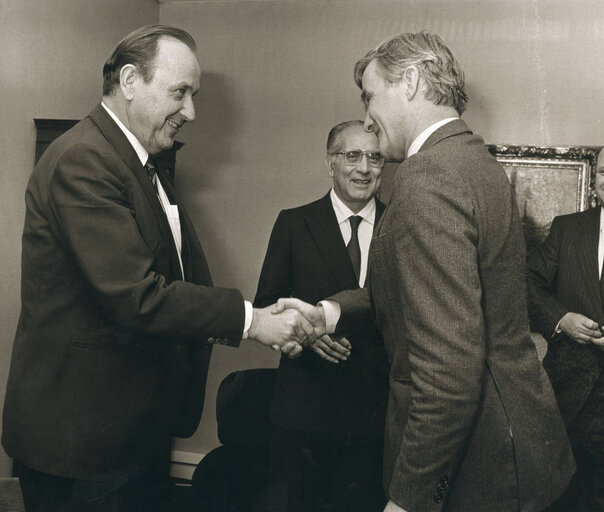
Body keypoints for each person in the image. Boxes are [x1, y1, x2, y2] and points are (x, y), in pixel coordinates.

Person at [2, 25, 312, 512]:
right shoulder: (84, 161)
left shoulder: (137, 162)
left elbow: (181, 279)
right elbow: (137, 295)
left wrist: (265, 315)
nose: (190, 111)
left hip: (127, 430)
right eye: (180, 92)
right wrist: (255, 321)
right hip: (83, 445)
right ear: (129, 80)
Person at [275, 32, 575, 512]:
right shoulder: (475, 160)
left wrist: (410, 497)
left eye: (370, 96)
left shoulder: (427, 178)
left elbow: (449, 371)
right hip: (517, 446)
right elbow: (417, 293)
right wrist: (329, 312)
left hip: (478, 463)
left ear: (410, 81)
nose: (368, 116)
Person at [254, 120, 390, 512]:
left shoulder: (402, 228)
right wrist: (309, 335)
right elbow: (267, 306)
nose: (363, 168)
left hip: (374, 417)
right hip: (303, 414)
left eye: (374, 157)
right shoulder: (294, 224)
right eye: (352, 156)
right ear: (329, 163)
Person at [526, 150, 604, 512]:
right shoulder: (568, 228)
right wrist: (562, 319)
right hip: (569, 397)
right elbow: (527, 283)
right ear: (595, 179)